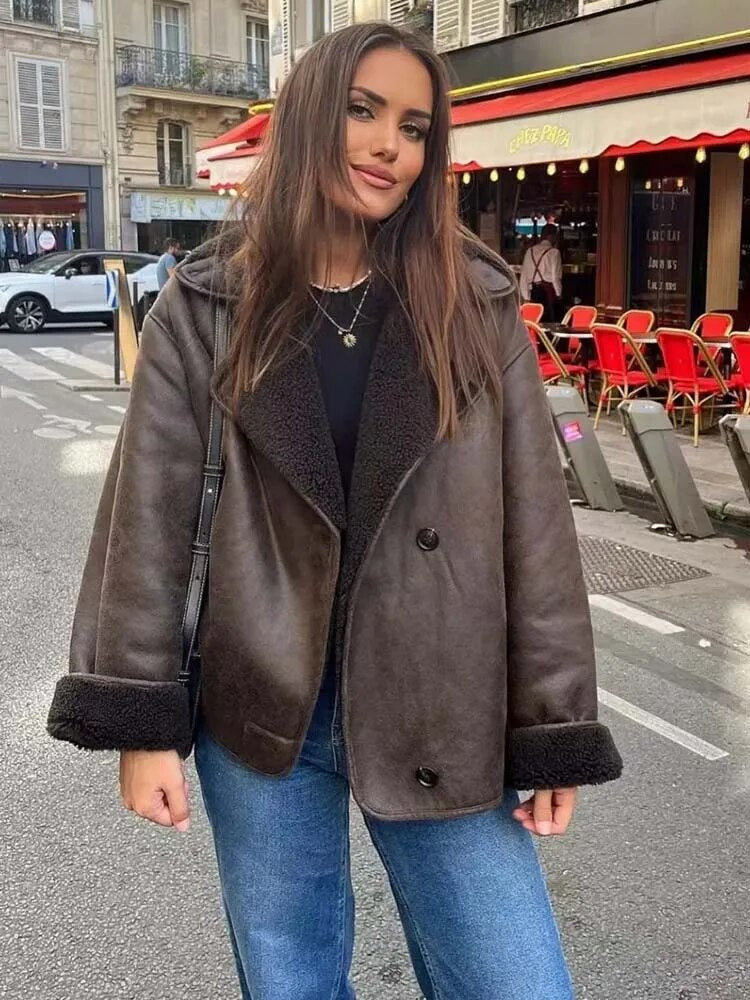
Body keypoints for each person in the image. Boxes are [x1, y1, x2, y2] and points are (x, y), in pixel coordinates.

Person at [47, 22, 622, 1000]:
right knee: (293, 984)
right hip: (263, 701)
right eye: (363, 111)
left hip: (441, 696)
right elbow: (149, 519)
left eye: (414, 127)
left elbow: (535, 527)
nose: (389, 144)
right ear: (314, 114)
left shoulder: (472, 304)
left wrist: (554, 724)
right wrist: (142, 721)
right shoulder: (207, 306)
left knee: (517, 980)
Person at [520, 222, 563, 321]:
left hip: (533, 291)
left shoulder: (530, 251)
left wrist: (526, 297)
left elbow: (524, 276)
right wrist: (559, 294)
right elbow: (555, 277)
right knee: (549, 321)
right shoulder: (554, 252)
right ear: (551, 236)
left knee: (535, 321)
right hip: (548, 292)